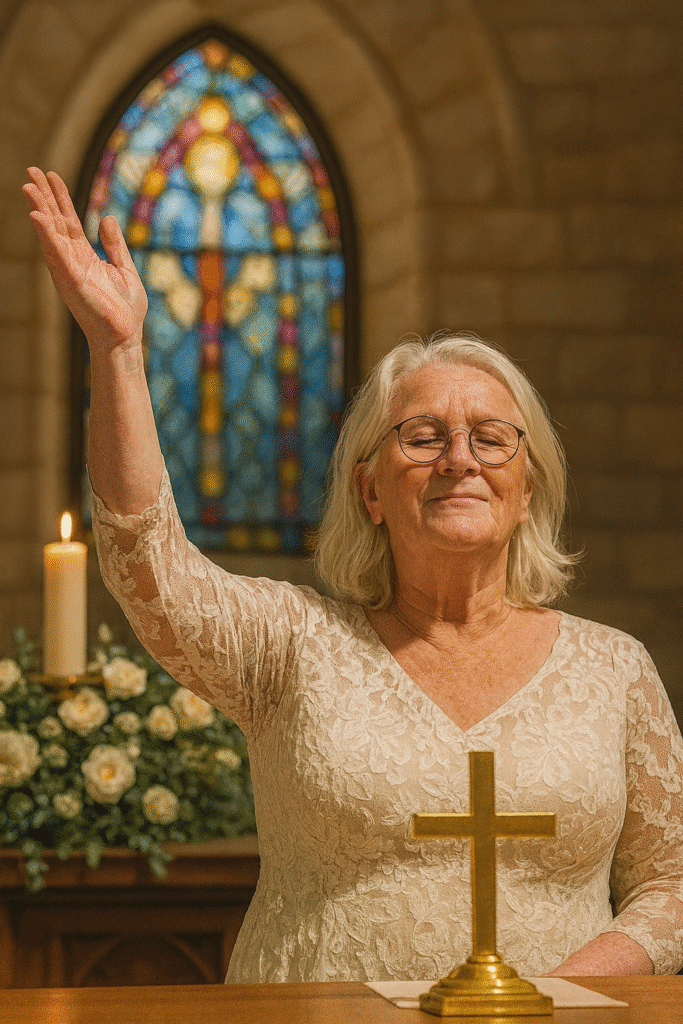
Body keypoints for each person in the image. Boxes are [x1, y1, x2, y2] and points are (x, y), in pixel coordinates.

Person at [23, 166, 683, 981]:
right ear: (369, 489)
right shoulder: (289, 645)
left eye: (490, 437)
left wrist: (562, 991)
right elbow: (146, 564)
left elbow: (669, 885)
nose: (458, 459)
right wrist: (117, 350)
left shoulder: (614, 671)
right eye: (421, 435)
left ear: (526, 490)